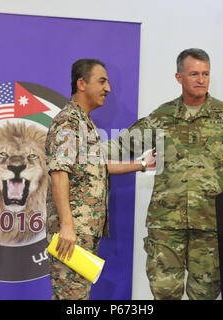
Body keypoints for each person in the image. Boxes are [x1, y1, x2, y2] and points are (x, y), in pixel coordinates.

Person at [110, 48, 223, 300]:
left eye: (206, 73)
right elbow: (122, 146)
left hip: (210, 224)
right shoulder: (162, 117)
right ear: (179, 77)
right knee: (164, 294)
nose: (201, 79)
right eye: (194, 74)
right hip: (166, 225)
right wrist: (83, 150)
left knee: (205, 296)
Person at [45, 58, 155, 300]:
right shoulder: (69, 121)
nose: (108, 89)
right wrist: (66, 225)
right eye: (102, 81)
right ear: (82, 83)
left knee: (79, 298)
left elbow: (97, 166)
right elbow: (59, 172)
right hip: (72, 232)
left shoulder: (85, 124)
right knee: (70, 299)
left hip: (83, 231)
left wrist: (143, 164)